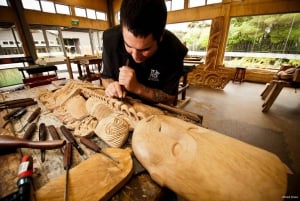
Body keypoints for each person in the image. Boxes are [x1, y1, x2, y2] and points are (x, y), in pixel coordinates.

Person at [100, 0, 188, 105]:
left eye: (145, 49)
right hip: (121, 104)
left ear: (160, 37)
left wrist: (137, 88)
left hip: (155, 110)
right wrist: (111, 86)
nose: (136, 56)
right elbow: (105, 77)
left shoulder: (174, 50)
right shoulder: (110, 39)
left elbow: (170, 98)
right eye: (128, 46)